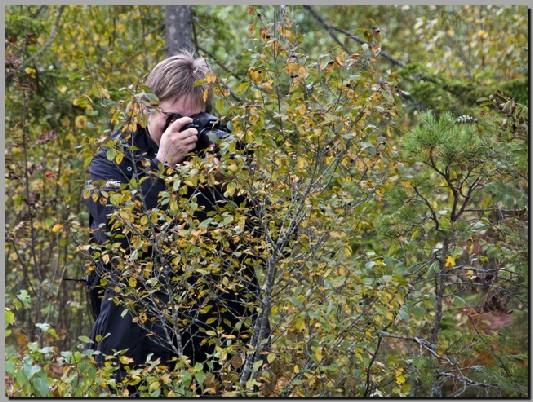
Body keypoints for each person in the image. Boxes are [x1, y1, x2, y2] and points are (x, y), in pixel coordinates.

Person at [84, 51, 265, 386]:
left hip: (218, 336)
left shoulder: (218, 155)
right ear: (146, 108)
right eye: (173, 120)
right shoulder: (112, 161)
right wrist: (162, 167)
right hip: (137, 337)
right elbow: (120, 236)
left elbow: (265, 244)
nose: (185, 131)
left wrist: (237, 178)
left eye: (195, 120)